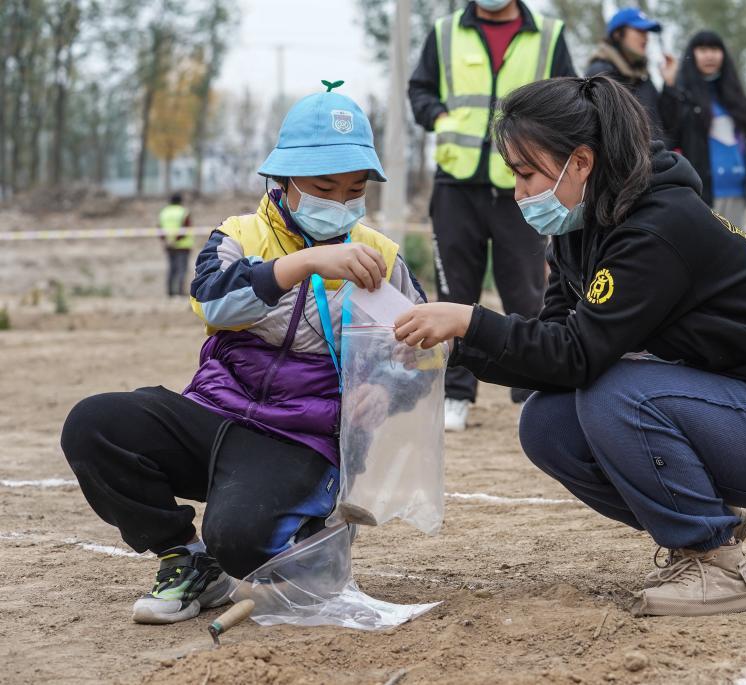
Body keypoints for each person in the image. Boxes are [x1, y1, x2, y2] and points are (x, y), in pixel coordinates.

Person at [393, 76, 746, 617]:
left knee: (615, 390)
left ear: (581, 163)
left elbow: (577, 355)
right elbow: (554, 348)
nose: (518, 192)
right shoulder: (580, 225)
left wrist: (471, 321)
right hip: (734, 410)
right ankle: (702, 525)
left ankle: (715, 564)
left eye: (526, 173)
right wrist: (452, 346)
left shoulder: (658, 228)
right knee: (547, 424)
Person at [60, 82, 427, 625]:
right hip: (213, 415)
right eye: (325, 186)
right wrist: (303, 265)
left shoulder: (382, 257)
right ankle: (187, 560)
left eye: (354, 191)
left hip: (302, 439)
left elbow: (422, 357)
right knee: (94, 423)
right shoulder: (238, 236)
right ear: (284, 180)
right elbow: (212, 303)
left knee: (240, 540)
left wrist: (386, 389)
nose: (341, 202)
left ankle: (312, 531)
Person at [408, 0, 576, 432]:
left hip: (522, 180)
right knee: (454, 289)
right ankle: (456, 393)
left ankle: (532, 387)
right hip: (456, 182)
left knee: (526, 288)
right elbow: (419, 90)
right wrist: (439, 116)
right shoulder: (444, 31)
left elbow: (569, 96)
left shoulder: (549, 35)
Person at [663, 31, 746, 228]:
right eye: (703, 49)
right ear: (693, 54)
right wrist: (669, 87)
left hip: (737, 192)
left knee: (736, 254)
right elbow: (668, 131)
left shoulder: (737, 97)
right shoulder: (682, 96)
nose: (710, 55)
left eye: (715, 49)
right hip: (701, 194)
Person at [585, 7, 676, 139]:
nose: (646, 37)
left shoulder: (642, 77)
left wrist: (669, 84)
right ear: (618, 34)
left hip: (657, 159)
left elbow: (666, 125)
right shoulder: (600, 74)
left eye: (647, 32)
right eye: (639, 30)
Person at [159, 192, 193, 297]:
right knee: (182, 269)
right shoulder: (183, 212)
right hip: (183, 246)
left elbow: (159, 229)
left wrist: (166, 241)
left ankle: (170, 292)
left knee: (172, 269)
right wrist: (176, 240)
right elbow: (186, 228)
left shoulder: (164, 212)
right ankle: (180, 292)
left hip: (169, 246)